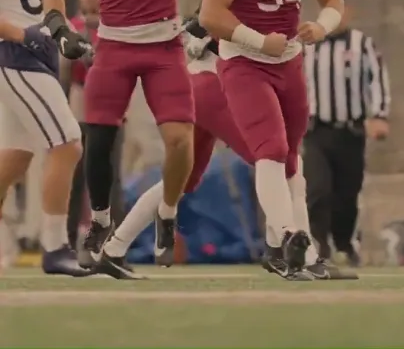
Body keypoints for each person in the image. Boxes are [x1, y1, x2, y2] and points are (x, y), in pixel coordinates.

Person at [42, 0, 209, 268]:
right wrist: (61, 29)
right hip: (113, 45)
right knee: (97, 142)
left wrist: (208, 17)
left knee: (179, 141)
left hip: (163, 45)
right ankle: (99, 221)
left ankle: (167, 212)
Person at [98, 23, 357, 281]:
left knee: (180, 181)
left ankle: (115, 247)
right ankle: (298, 256)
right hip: (217, 85)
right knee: (282, 163)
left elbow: (198, 27)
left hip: (196, 84)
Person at [198, 0, 345, 277]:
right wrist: (259, 40)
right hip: (245, 60)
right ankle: (287, 235)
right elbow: (211, 14)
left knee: (292, 159)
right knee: (271, 149)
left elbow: (334, 0)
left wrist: (322, 25)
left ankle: (300, 253)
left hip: (289, 60)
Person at [0, 0, 89, 276]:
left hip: (42, 50)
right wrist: (22, 33)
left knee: (16, 159)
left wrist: (62, 32)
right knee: (68, 142)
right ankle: (55, 247)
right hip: (13, 53)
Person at [303, 0, 391, 266]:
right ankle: (318, 246)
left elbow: (377, 80)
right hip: (316, 130)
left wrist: (379, 115)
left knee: (347, 193)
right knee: (317, 189)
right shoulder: (307, 45)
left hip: (350, 131)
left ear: (348, 12)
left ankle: (344, 243)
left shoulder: (362, 44)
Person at [60, 0, 125, 265]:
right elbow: (63, 71)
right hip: (77, 102)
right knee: (73, 180)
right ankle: (70, 244)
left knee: (111, 178)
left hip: (111, 104)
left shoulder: (116, 27)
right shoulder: (70, 29)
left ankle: (115, 246)